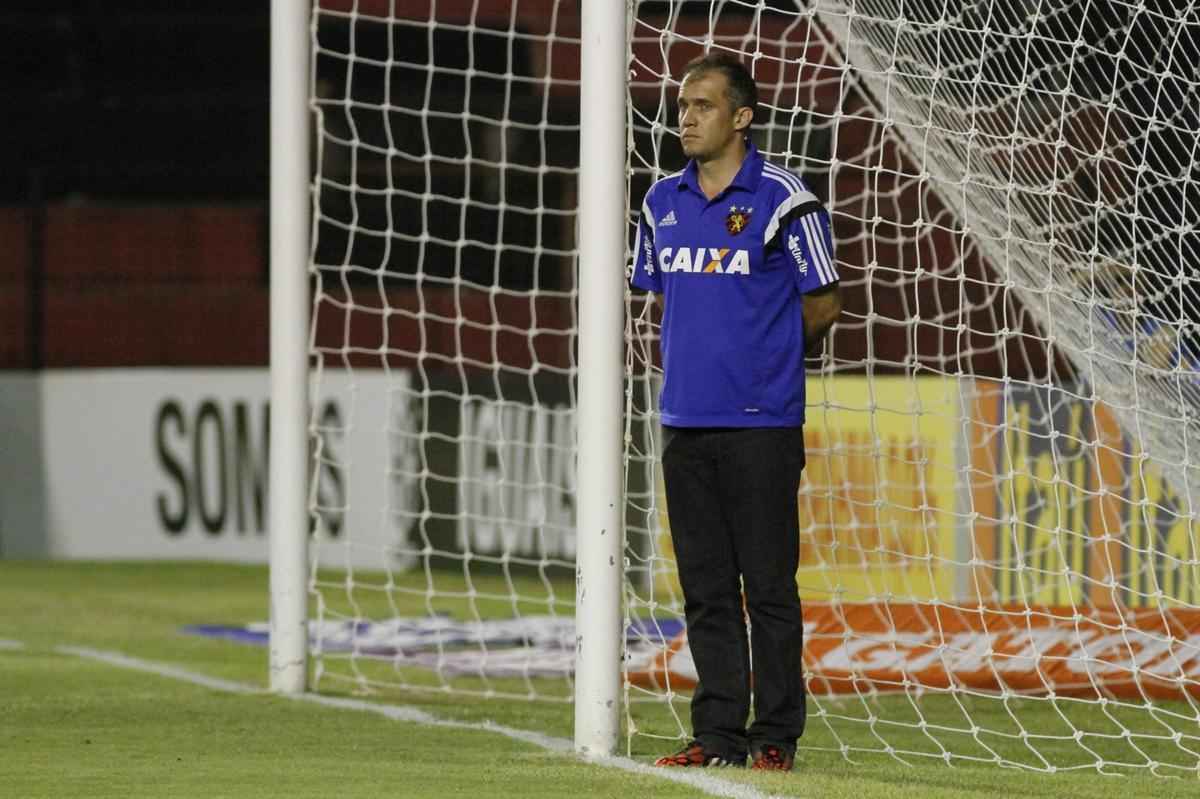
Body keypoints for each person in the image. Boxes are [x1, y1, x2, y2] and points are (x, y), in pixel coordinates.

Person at [629, 52, 842, 772]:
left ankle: (776, 734)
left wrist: (766, 360)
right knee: (706, 590)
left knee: (769, 588)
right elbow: (658, 292)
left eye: (703, 105)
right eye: (682, 105)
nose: (685, 117)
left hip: (762, 424)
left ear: (742, 117)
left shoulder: (787, 200)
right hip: (684, 420)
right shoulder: (659, 201)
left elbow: (824, 301)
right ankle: (716, 732)